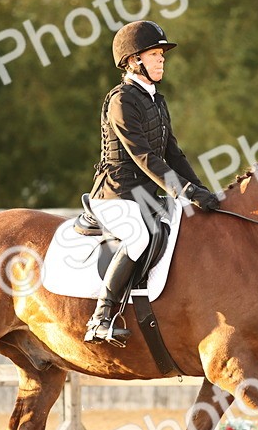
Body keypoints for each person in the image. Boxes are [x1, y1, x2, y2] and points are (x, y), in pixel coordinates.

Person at [84, 20, 220, 346]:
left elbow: (173, 154)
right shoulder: (121, 100)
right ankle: (101, 317)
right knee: (140, 236)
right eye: (155, 54)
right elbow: (143, 155)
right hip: (115, 194)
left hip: (146, 196)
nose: (162, 60)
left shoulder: (157, 100)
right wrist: (183, 190)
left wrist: (201, 190)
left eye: (162, 55)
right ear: (134, 61)